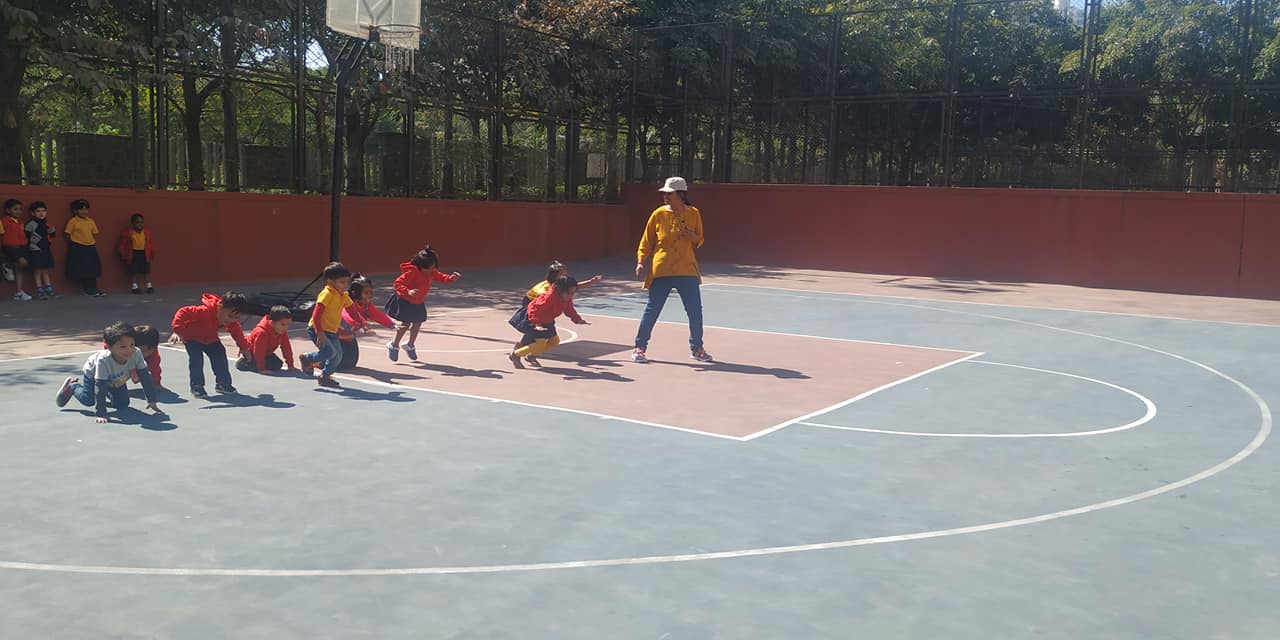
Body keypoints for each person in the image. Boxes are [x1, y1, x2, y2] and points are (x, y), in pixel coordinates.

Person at [632, 176, 712, 364]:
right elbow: (647, 240)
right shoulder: (658, 214)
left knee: (695, 311)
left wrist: (692, 236)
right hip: (662, 269)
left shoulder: (693, 213)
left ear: (681, 194)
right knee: (652, 310)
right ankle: (639, 348)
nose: (666, 197)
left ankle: (697, 348)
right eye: (665, 194)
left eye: (670, 193)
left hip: (687, 270)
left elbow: (700, 239)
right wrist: (641, 261)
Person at [55, 321, 163, 423]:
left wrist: (152, 400)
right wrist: (101, 413)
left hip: (116, 377)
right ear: (110, 348)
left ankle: (109, 392)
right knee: (88, 401)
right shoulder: (103, 361)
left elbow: (145, 377)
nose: (129, 350)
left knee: (122, 404)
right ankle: (72, 386)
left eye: (132, 345)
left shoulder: (137, 353)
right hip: (94, 376)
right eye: (123, 347)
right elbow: (100, 386)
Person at [383, 245, 460, 362]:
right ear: (420, 266)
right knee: (406, 324)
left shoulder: (431, 272)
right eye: (428, 269)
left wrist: (450, 278)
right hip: (405, 300)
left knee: (418, 323)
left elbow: (441, 277)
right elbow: (397, 283)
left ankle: (410, 345)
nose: (431, 271)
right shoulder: (412, 273)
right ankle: (394, 345)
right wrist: (408, 291)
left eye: (433, 268)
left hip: (418, 302)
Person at [168, 291, 252, 397]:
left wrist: (244, 347)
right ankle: (197, 386)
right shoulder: (204, 311)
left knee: (220, 355)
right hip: (192, 338)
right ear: (220, 306)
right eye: (230, 316)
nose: (232, 320)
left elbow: (236, 331)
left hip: (210, 338)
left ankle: (223, 383)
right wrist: (177, 330)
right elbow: (183, 311)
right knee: (196, 360)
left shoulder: (231, 321)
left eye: (236, 318)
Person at [508, 275, 589, 369]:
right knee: (540, 344)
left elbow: (569, 309)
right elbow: (533, 309)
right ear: (560, 290)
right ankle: (516, 355)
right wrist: (536, 323)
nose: (571, 295)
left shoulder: (566, 298)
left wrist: (577, 319)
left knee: (554, 341)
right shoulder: (548, 297)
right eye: (569, 292)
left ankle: (531, 355)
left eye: (573, 292)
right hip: (533, 319)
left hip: (547, 321)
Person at [299, 262, 354, 388]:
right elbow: (316, 315)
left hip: (332, 331)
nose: (346, 285)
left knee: (338, 356)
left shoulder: (343, 295)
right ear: (330, 281)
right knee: (330, 352)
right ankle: (307, 358)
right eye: (342, 282)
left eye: (347, 282)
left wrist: (362, 322)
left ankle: (325, 377)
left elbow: (351, 310)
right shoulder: (326, 294)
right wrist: (320, 333)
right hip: (317, 329)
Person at [336, 274, 393, 371]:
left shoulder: (367, 305)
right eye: (366, 293)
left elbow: (377, 314)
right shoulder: (348, 302)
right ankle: (313, 360)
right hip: (337, 333)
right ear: (355, 293)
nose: (369, 295)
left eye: (370, 292)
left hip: (349, 335)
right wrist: (361, 323)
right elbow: (346, 316)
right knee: (336, 362)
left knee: (350, 363)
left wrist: (391, 324)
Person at [237, 305, 297, 374]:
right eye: (283, 324)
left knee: (277, 364)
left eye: (288, 325)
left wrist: (290, 365)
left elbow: (286, 347)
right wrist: (261, 369)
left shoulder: (281, 331)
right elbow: (258, 351)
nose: (286, 328)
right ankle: (244, 363)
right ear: (271, 323)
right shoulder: (261, 332)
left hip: (266, 353)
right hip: (252, 353)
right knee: (259, 363)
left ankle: (257, 365)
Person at [518, 260, 602, 308]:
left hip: (543, 304)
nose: (565, 273)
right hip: (530, 301)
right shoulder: (546, 286)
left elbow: (576, 286)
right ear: (555, 274)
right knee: (535, 325)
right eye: (563, 272)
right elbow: (541, 295)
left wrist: (591, 281)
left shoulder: (562, 282)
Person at [65, 198, 105, 297]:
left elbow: (95, 233)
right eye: (81, 209)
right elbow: (67, 234)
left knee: (93, 268)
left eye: (86, 209)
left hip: (90, 246)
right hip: (78, 247)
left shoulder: (91, 221)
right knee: (83, 269)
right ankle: (87, 289)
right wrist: (75, 243)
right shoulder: (73, 221)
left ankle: (94, 287)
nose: (84, 211)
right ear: (75, 211)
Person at [24, 201, 58, 299]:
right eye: (38, 211)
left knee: (46, 270)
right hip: (35, 250)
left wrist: (51, 232)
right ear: (32, 213)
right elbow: (26, 237)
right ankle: (39, 290)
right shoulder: (30, 224)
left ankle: (49, 289)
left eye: (43, 211)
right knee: (37, 271)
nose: (41, 213)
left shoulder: (48, 224)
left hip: (46, 250)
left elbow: (52, 236)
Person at [117, 213, 155, 294]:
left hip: (144, 253)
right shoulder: (128, 233)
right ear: (133, 223)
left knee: (146, 270)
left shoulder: (146, 233)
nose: (140, 224)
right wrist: (123, 254)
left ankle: (149, 286)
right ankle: (135, 287)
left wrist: (152, 252)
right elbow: (123, 244)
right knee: (133, 270)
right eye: (137, 222)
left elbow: (150, 243)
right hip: (133, 253)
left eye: (141, 222)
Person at [1, 198, 31, 300]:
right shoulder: (4, 221)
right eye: (15, 209)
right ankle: (8, 266)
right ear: (7, 210)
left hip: (21, 247)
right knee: (23, 263)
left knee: (20, 270)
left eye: (20, 209)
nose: (18, 211)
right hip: (10, 247)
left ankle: (19, 292)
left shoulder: (21, 222)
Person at [128, 324, 166, 392]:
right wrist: (133, 372)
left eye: (146, 351)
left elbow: (155, 369)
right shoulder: (119, 350)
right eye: (140, 351)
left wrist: (156, 384)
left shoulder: (153, 352)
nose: (143, 354)